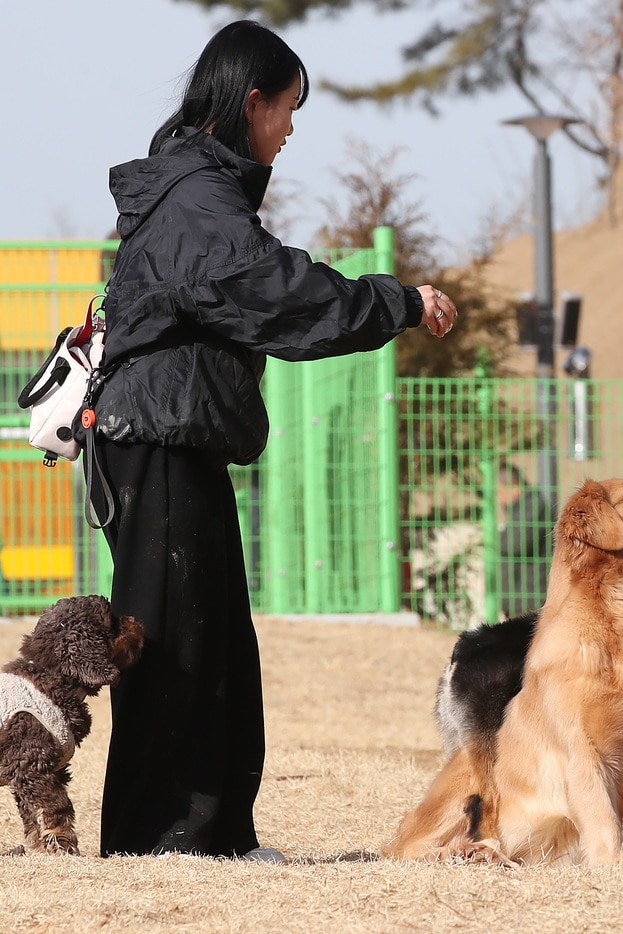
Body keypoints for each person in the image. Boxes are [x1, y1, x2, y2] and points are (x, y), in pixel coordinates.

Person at [87, 20, 459, 861]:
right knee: (174, 643)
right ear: (250, 102)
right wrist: (395, 303)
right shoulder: (194, 195)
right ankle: (162, 840)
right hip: (157, 438)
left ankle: (214, 834)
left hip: (176, 436)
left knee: (213, 637)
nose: (289, 129)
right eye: (286, 109)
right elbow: (277, 292)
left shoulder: (193, 187)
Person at [496, 463, 553, 618]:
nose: (499, 498)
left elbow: (515, 544)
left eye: (500, 491)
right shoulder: (520, 509)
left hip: (530, 598)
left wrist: (493, 538)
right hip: (519, 597)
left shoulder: (533, 506)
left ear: (514, 485)